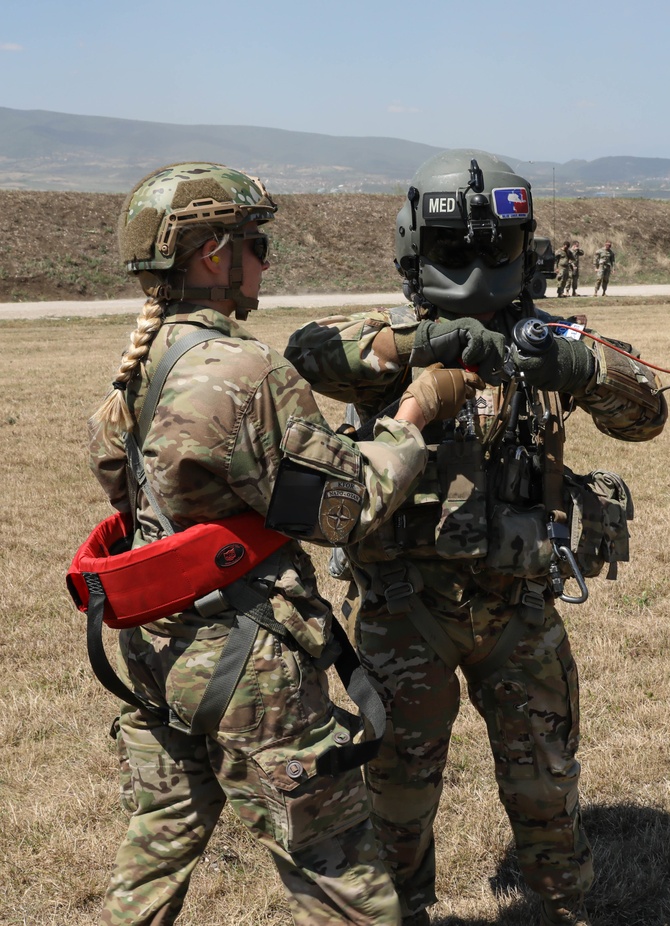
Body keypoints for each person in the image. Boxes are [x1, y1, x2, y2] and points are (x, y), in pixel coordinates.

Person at [88, 161, 479, 925]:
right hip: (244, 668)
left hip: (155, 648)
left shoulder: (139, 366)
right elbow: (345, 508)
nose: (266, 258)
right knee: (340, 881)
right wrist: (415, 415)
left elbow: (123, 481)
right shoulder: (243, 370)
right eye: (257, 241)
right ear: (212, 255)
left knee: (153, 856)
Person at [283, 149, 668, 926]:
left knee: (548, 788)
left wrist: (577, 365)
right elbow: (307, 349)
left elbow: (648, 413)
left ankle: (561, 908)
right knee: (395, 797)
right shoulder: (392, 343)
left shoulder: (550, 343)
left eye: (496, 249)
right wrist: (429, 347)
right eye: (459, 251)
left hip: (519, 610)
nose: (480, 267)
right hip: (405, 611)